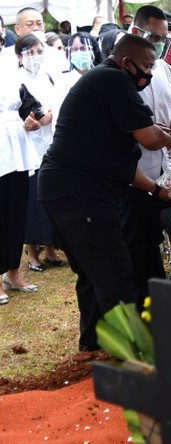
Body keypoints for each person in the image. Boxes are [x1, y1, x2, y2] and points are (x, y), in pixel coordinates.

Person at [38, 35, 171, 352]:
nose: (149, 74)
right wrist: (169, 135)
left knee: (92, 269)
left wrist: (158, 190)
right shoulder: (114, 80)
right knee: (114, 269)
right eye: (145, 66)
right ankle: (131, 349)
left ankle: (93, 343)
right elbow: (149, 139)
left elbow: (118, 166)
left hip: (63, 189)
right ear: (126, 62)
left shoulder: (105, 84)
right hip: (78, 193)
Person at [122, 5, 171, 303]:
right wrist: (161, 135)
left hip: (160, 172)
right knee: (134, 242)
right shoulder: (120, 71)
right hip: (132, 173)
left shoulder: (165, 70)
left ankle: (154, 304)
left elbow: (167, 115)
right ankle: (137, 304)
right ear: (135, 32)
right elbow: (137, 128)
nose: (159, 43)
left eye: (163, 39)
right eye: (153, 36)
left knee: (153, 237)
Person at [14, 35, 65, 274]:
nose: (35, 57)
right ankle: (32, 252)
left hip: (50, 143)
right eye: (29, 52)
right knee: (32, 199)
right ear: (19, 56)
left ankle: (51, 248)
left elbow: (57, 103)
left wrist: (50, 115)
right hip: (28, 146)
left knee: (49, 196)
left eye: (38, 51)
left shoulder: (47, 77)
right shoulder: (16, 80)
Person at [0, 39, 40, 305]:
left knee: (16, 210)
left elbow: (28, 103)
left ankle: (13, 272)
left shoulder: (8, 67)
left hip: (15, 146)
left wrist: (31, 118)